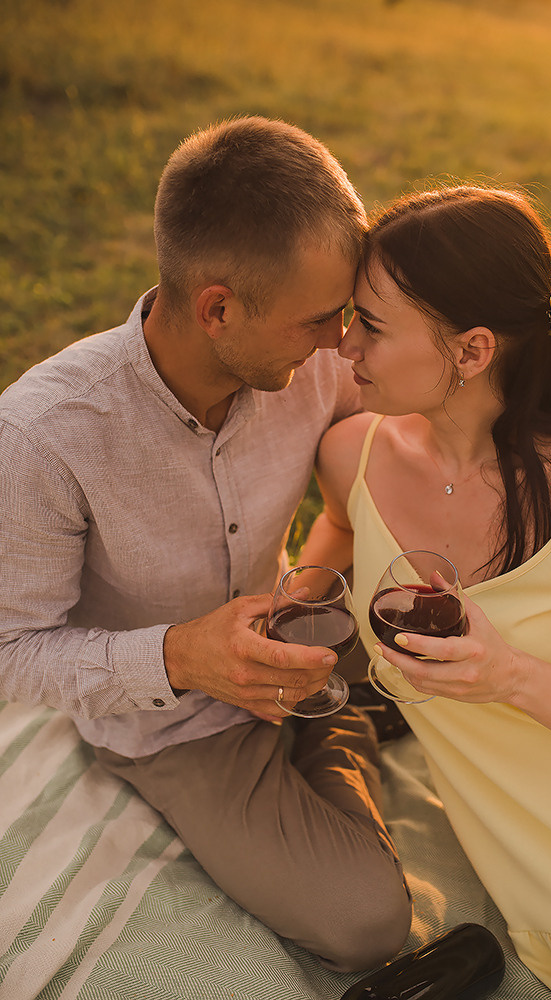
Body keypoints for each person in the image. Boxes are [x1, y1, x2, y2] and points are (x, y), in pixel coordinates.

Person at [0, 116, 413, 971]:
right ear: (217, 308)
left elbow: (380, 461)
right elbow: (11, 653)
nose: (340, 342)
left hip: (297, 631)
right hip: (172, 724)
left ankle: (338, 711)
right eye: (318, 319)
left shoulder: (313, 362)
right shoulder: (44, 436)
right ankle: (346, 728)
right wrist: (183, 659)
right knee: (367, 924)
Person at [299, 184, 551, 999]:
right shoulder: (352, 453)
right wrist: (296, 609)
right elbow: (336, 534)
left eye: (372, 325)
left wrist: (513, 679)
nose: (343, 346)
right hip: (535, 898)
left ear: (470, 352)